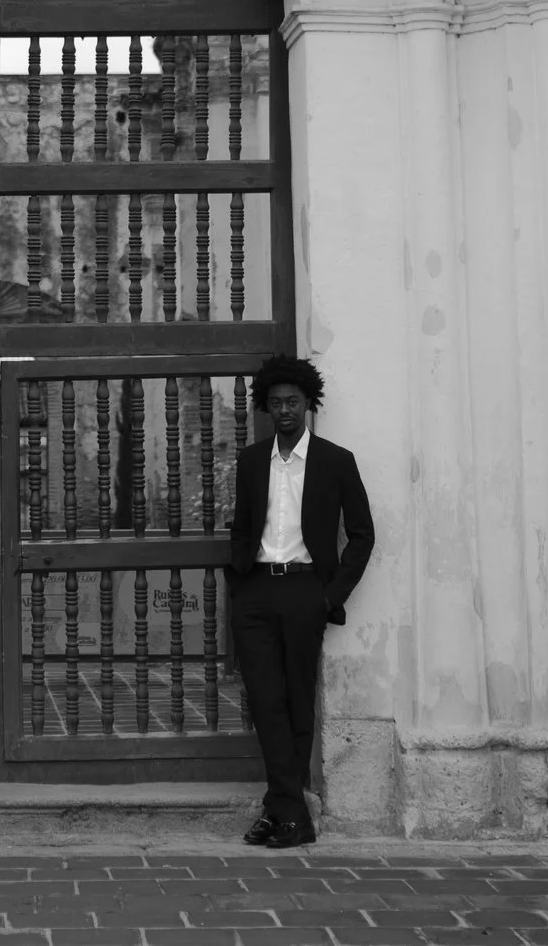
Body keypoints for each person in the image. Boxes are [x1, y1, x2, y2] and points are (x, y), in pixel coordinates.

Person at [226, 354, 374, 848]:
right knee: (266, 703)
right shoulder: (251, 461)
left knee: (296, 702)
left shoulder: (336, 461)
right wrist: (240, 585)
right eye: (275, 403)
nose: (285, 410)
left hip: (305, 591)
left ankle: (283, 813)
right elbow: (244, 528)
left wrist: (329, 596)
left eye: (293, 401)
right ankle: (290, 814)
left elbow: (361, 535)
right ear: (265, 409)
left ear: (309, 404)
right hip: (257, 593)